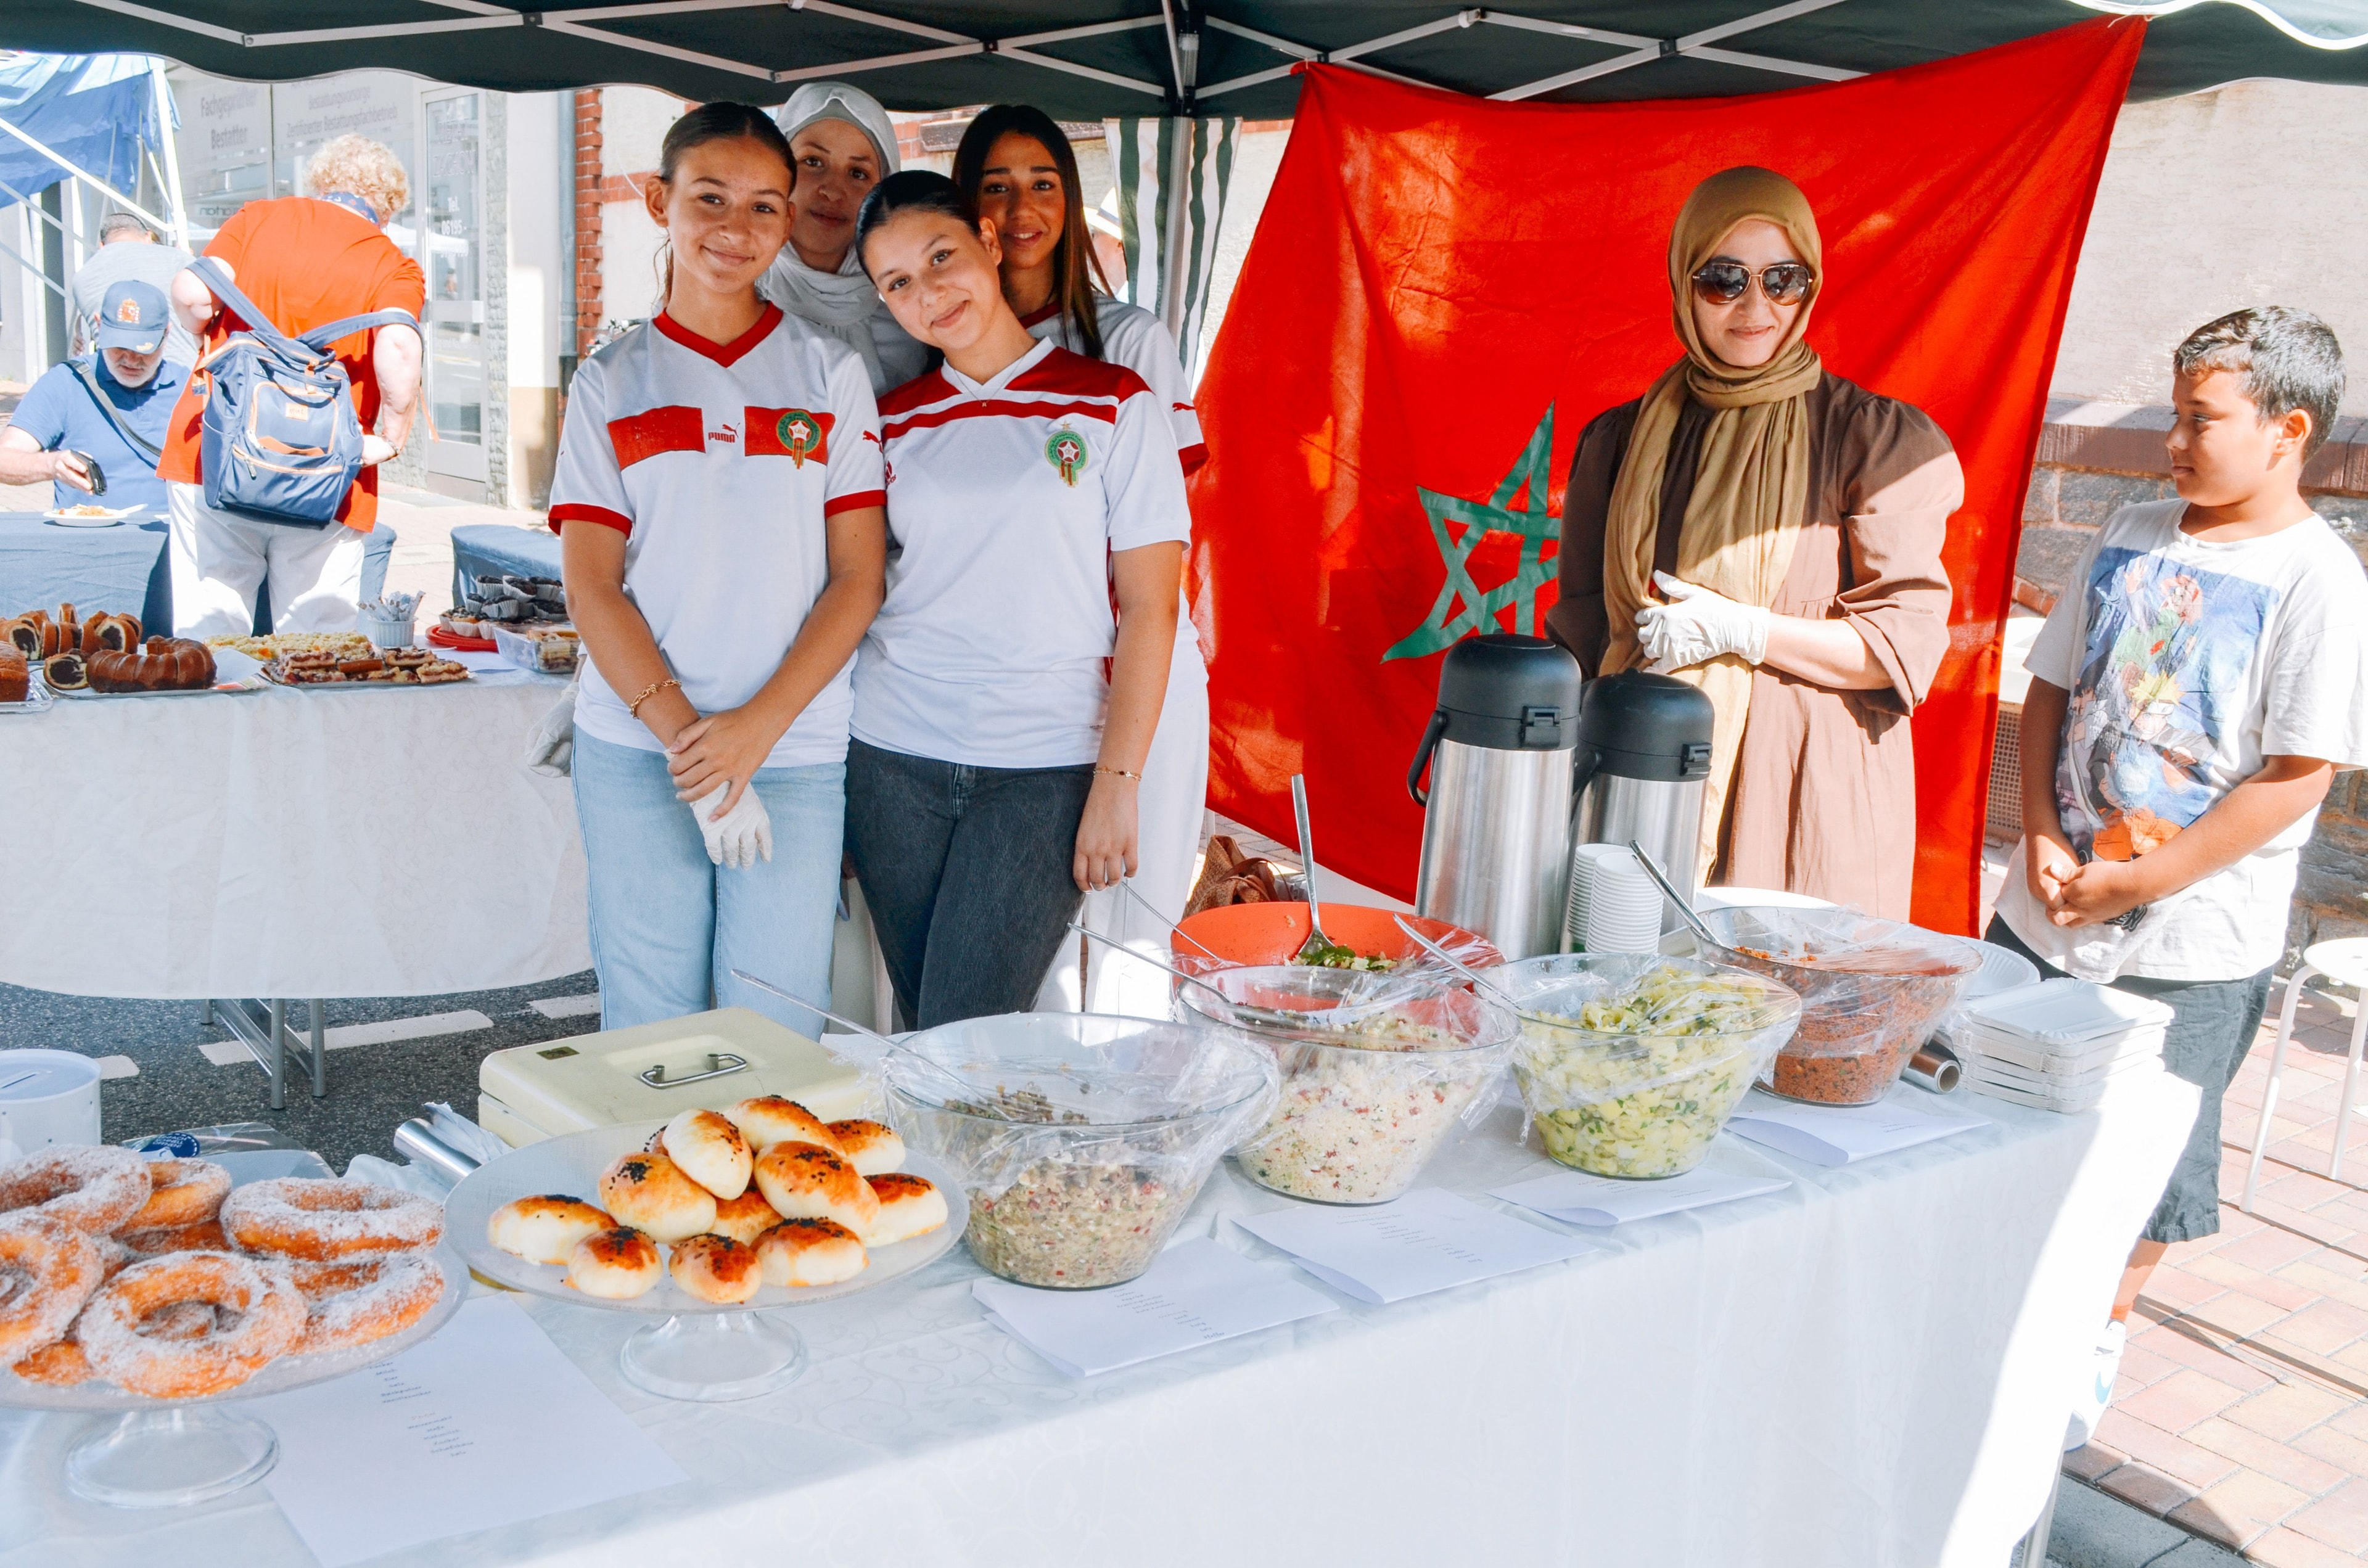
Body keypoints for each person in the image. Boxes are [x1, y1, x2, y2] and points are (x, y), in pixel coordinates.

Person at [1986, 307, 2368, 1449]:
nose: (2172, 440)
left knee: (2147, 1162)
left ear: (2287, 430)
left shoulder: (2318, 580)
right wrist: (2043, 832)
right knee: (2004, 1107)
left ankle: (2088, 1346)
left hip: (2190, 951)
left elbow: (2297, 774)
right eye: (2172, 411)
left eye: (2201, 420)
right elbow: (2051, 687)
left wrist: (2141, 884)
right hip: (2046, 910)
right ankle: (1996, 1309)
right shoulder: (2135, 525)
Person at [549, 102, 887, 1036]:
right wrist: (697, 749)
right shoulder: (611, 381)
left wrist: (751, 737)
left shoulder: (829, 376)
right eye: (710, 199)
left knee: (776, 1027)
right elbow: (593, 586)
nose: (736, 231)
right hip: (641, 752)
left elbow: (858, 578)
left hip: (794, 749)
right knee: (650, 1024)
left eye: (765, 207)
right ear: (660, 201)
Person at [1546, 166, 1962, 917]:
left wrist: (1743, 630)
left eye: (1783, 279)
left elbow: (1900, 647)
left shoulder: (1871, 439)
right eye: (1724, 279)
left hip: (1803, 799)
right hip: (1643, 782)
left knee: (1787, 1014)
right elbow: (1582, 639)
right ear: (1683, 282)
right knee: (1629, 1013)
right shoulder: (1618, 443)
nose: (1756, 306)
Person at [846, 171, 1188, 1029]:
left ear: (989, 245)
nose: (928, 293)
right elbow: (851, 588)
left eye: (941, 257)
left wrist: (1117, 782)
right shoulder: (891, 422)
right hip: (893, 757)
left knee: (967, 1027)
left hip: (1044, 767)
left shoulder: (1114, 403)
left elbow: (1153, 606)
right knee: (928, 1026)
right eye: (898, 283)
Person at [953, 105, 1211, 1012]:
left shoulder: (1128, 340)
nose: (1020, 208)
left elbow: (1176, 535)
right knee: (1041, 941)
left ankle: (1135, 1137)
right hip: (1027, 686)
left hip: (1139, 667)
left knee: (1132, 932)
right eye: (996, 185)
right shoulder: (942, 346)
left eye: (1043, 183)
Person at [160, 134, 424, 636]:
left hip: (219, 452)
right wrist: (390, 440)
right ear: (386, 209)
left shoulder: (255, 218)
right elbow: (400, 350)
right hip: (323, 470)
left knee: (210, 632)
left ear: (320, 183)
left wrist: (203, 330)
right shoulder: (393, 263)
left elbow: (194, 292)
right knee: (316, 641)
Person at [756, 81, 929, 395]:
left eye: (858, 173)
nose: (833, 191)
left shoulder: (911, 332)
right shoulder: (731, 313)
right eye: (812, 162)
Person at [0, 279, 186, 515]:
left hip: (172, 542)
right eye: (119, 346)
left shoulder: (190, 386)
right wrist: (51, 465)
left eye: (143, 349)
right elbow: (5, 459)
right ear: (98, 325)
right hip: (89, 543)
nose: (130, 359)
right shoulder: (67, 382)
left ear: (166, 334)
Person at [70, 213, 198, 366]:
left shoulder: (84, 276)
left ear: (102, 246)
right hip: (186, 376)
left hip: (117, 377)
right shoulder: (179, 260)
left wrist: (78, 328)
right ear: (149, 237)